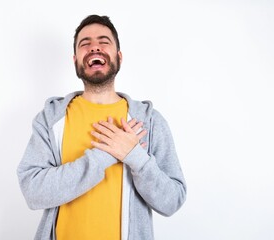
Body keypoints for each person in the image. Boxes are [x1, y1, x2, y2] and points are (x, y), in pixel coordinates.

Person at [17, 14, 187, 240]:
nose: (94, 48)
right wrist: (104, 156)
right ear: (76, 60)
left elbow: (172, 201)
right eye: (85, 44)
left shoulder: (149, 121)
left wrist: (136, 158)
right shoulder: (51, 119)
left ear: (119, 56)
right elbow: (32, 190)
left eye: (103, 42)